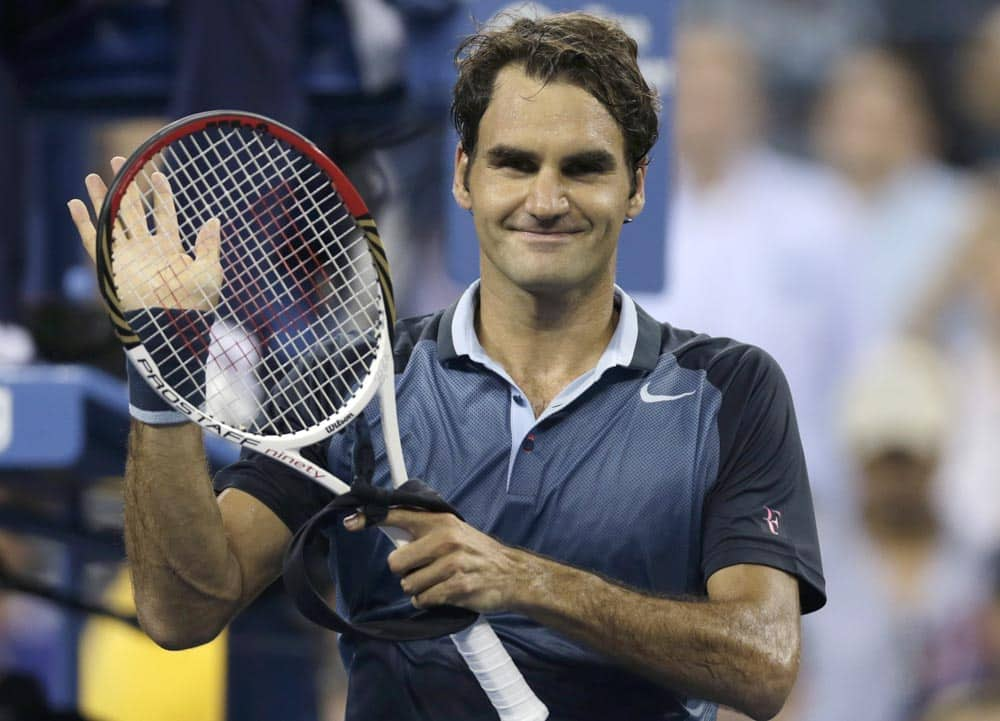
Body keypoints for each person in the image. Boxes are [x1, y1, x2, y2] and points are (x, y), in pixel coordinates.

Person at [66, 13, 824, 721]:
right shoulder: (359, 376)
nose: (547, 198)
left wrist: (522, 580)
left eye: (585, 168)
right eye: (514, 164)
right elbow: (183, 609)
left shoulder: (730, 387)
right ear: (465, 177)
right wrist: (157, 362)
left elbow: (762, 661)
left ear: (637, 187)